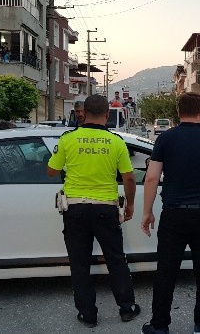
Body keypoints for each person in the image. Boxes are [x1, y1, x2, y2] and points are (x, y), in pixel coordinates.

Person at [141, 92, 200, 334]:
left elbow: (151, 178)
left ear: (178, 112)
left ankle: (160, 325)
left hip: (174, 214)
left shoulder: (165, 139)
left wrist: (147, 212)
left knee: (166, 271)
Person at [46, 94, 141, 328]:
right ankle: (127, 308)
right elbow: (129, 178)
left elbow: (50, 170)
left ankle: (88, 315)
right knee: (116, 259)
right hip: (106, 209)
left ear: (83, 113)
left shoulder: (68, 139)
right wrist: (130, 205)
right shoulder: (116, 141)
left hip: (75, 209)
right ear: (107, 115)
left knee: (79, 264)